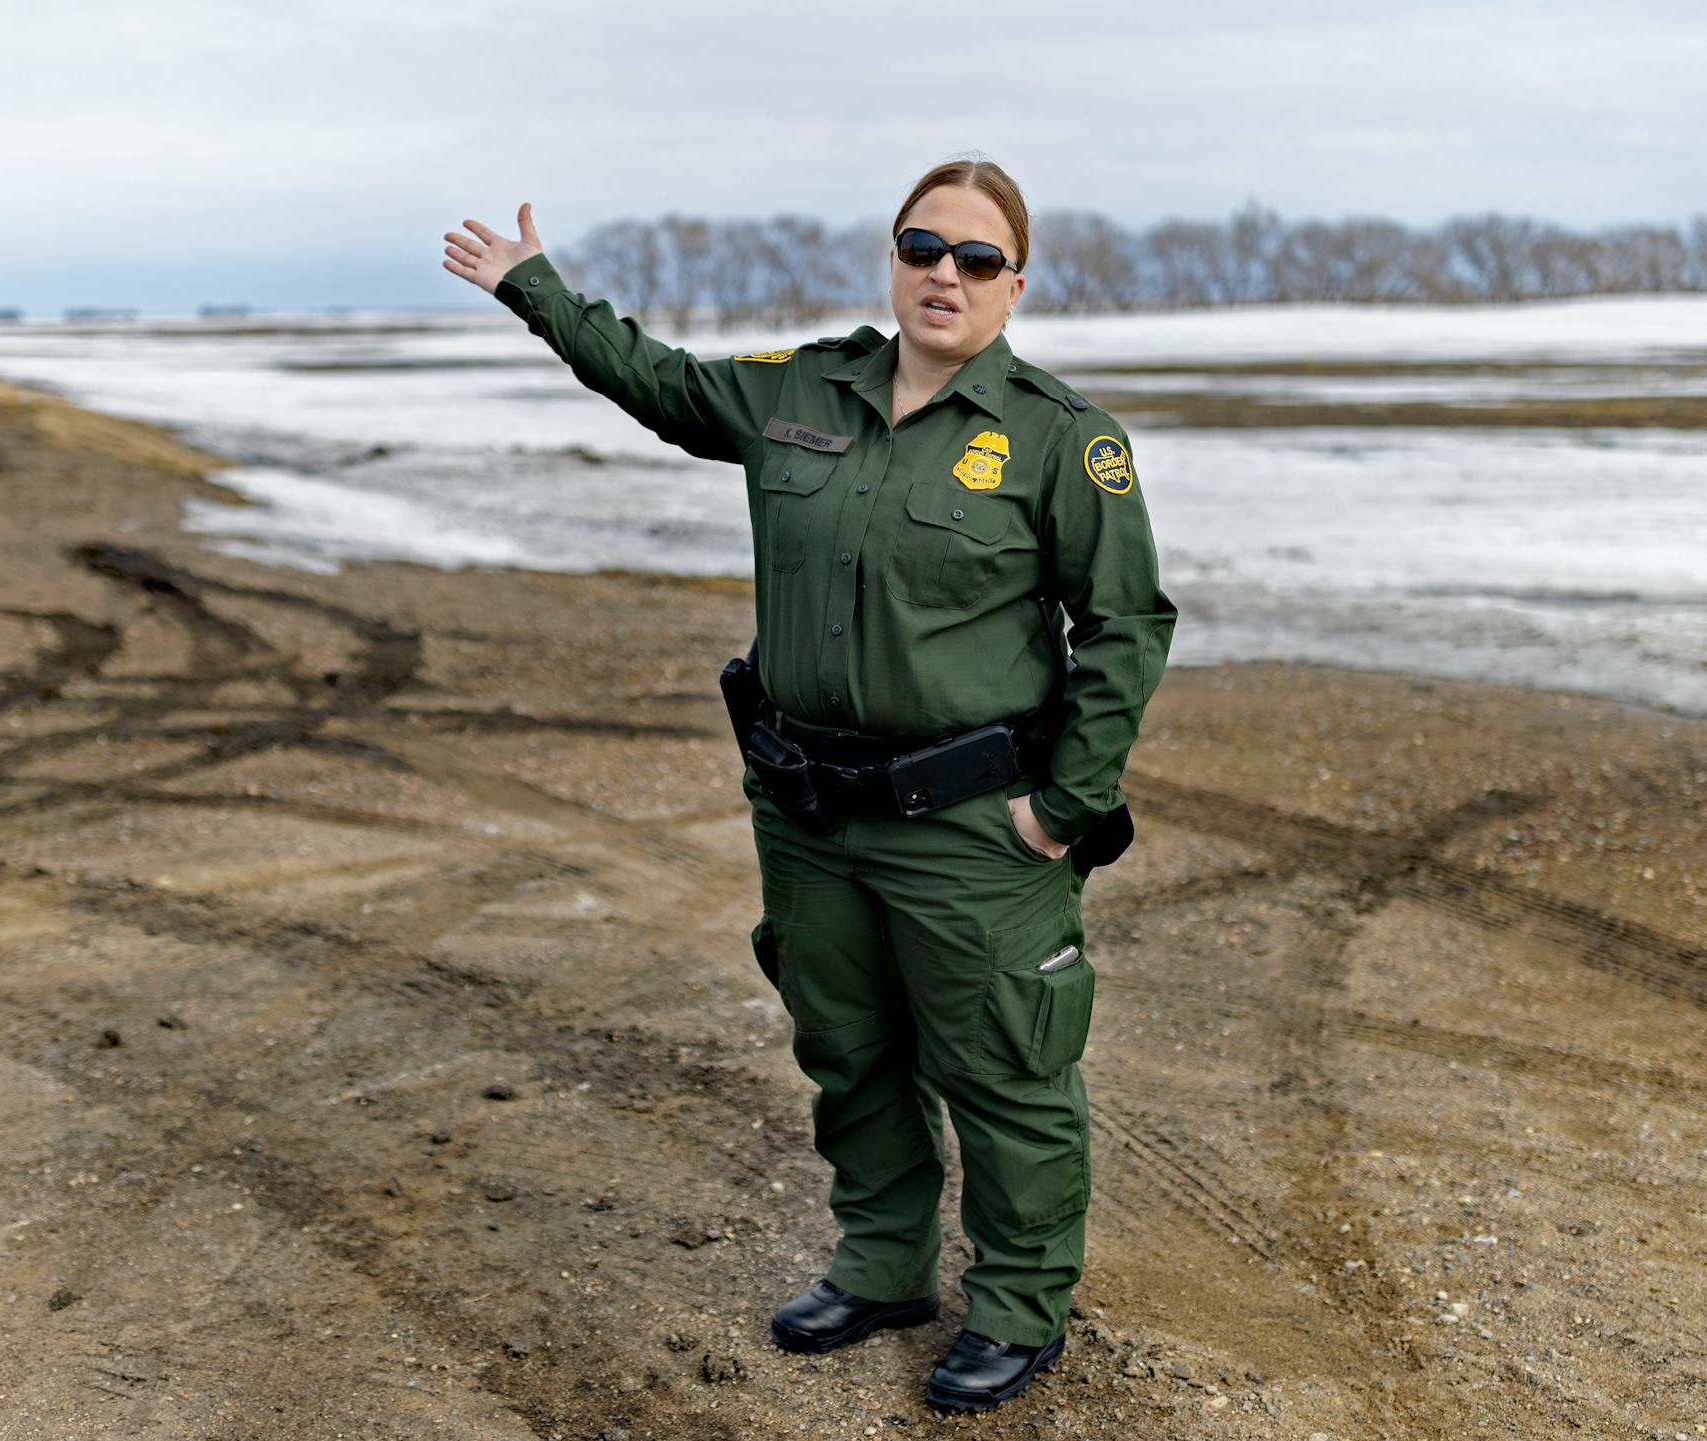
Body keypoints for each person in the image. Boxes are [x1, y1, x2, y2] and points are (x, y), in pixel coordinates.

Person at [441, 157, 1177, 1414]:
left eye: (977, 259)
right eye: (922, 247)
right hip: (810, 813)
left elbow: (1127, 626)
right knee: (849, 1047)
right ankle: (883, 1266)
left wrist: (1062, 805)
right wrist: (536, 289)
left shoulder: (1061, 438)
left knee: (1004, 1066)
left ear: (1016, 283)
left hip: (966, 822)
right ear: (893, 258)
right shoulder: (802, 390)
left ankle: (1018, 1304)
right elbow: (660, 380)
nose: (945, 275)